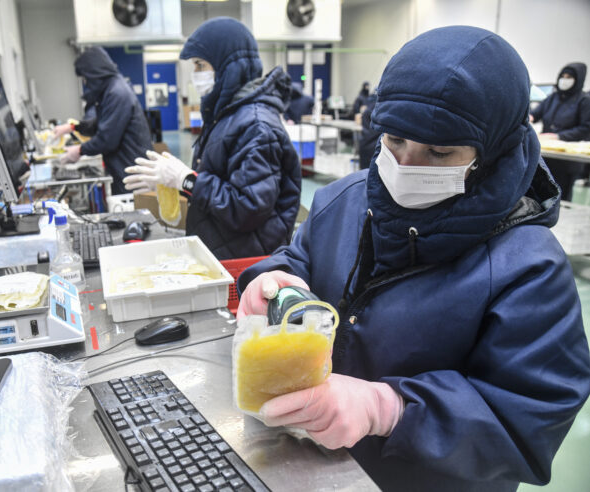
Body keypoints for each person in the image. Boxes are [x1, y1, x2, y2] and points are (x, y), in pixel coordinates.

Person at [236, 26, 590, 492]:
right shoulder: (343, 200)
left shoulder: (528, 268)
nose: (405, 165)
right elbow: (300, 257)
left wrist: (389, 408)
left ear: (492, 152)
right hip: (317, 462)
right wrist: (276, 280)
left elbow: (530, 418)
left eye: (439, 152)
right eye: (394, 141)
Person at [122, 17, 301, 260]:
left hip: (248, 267)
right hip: (224, 250)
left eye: (200, 65)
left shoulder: (256, 126)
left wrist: (185, 179)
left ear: (229, 67)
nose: (195, 74)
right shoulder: (228, 116)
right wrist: (175, 184)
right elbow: (219, 189)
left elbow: (247, 209)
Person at [59, 47, 152, 195]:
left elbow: (107, 138)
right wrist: (75, 127)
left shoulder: (117, 93)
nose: (85, 82)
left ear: (94, 73)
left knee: (132, 212)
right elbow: (101, 123)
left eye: (85, 77)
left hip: (131, 170)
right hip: (125, 166)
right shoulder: (111, 89)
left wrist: (80, 150)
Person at [530, 62, 590, 201]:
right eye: (562, 76)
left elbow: (586, 128)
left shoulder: (584, 101)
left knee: (560, 198)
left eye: (569, 76)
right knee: (541, 195)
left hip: (568, 161)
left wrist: (558, 136)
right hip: (547, 158)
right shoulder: (553, 98)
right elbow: (535, 114)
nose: (564, 79)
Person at [357, 91, 379, 170]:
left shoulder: (368, 109)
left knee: (365, 172)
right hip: (374, 144)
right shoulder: (379, 110)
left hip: (365, 142)